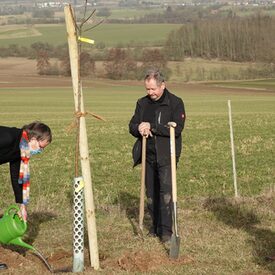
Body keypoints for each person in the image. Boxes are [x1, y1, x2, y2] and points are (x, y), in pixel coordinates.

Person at [129, 69, 186, 243]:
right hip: (148, 155)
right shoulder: (142, 103)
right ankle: (154, 228)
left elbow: (177, 129)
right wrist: (139, 127)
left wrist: (152, 127)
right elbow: (131, 125)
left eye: (153, 89)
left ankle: (167, 232)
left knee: (166, 194)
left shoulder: (174, 103)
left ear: (162, 85)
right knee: (151, 194)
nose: (150, 93)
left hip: (166, 155)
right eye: (148, 89)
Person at [0, 121, 52, 270]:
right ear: (34, 139)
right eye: (41, 148)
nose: (40, 152)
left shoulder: (20, 150)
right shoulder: (8, 137)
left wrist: (22, 205)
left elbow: (16, 176)